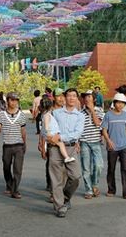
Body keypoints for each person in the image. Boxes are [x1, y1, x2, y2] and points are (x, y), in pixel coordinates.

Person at [47, 88, 85, 218]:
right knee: (56, 179)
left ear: (77, 99)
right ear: (65, 97)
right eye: (69, 96)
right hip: (55, 148)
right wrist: (49, 137)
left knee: (75, 176)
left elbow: (77, 133)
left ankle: (65, 197)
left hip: (71, 148)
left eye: (74, 96)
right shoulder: (56, 113)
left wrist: (60, 137)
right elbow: (47, 127)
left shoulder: (80, 116)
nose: (71, 98)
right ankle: (59, 206)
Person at [0, 92, 28, 199]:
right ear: (7, 101)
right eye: (12, 100)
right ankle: (9, 184)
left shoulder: (21, 115)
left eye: (16, 100)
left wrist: (25, 143)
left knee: (18, 168)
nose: (14, 102)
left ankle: (15, 190)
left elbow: (23, 130)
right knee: (6, 167)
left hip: (19, 145)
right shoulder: (2, 114)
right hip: (7, 145)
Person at [101, 93, 126, 199]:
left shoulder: (125, 115)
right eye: (118, 103)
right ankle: (111, 189)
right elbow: (104, 130)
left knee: (125, 168)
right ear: (114, 103)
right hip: (112, 146)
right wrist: (108, 141)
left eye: (122, 103)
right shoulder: (108, 115)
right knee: (111, 168)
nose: (120, 105)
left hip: (124, 145)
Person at [38, 88, 65, 200]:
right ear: (53, 97)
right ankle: (53, 191)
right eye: (58, 96)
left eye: (63, 96)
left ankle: (59, 190)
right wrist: (42, 145)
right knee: (53, 167)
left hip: (64, 142)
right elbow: (44, 130)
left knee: (63, 169)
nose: (61, 98)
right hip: (51, 143)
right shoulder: (50, 112)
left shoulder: (66, 111)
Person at [79, 90, 104, 199]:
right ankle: (88, 190)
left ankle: (94, 184)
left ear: (93, 99)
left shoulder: (100, 111)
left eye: (89, 96)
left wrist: (92, 110)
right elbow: (78, 129)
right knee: (86, 168)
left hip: (96, 142)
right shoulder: (80, 113)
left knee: (99, 165)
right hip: (84, 142)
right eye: (85, 97)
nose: (87, 99)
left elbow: (98, 123)